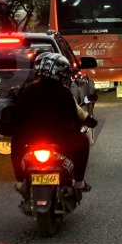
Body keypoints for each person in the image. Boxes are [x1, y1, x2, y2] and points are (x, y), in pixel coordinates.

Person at [10, 53, 94, 199]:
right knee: (83, 141)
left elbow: (18, 116)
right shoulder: (65, 93)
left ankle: (20, 181)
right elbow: (75, 117)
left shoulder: (28, 91)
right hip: (61, 138)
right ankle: (79, 182)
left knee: (15, 141)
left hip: (31, 138)